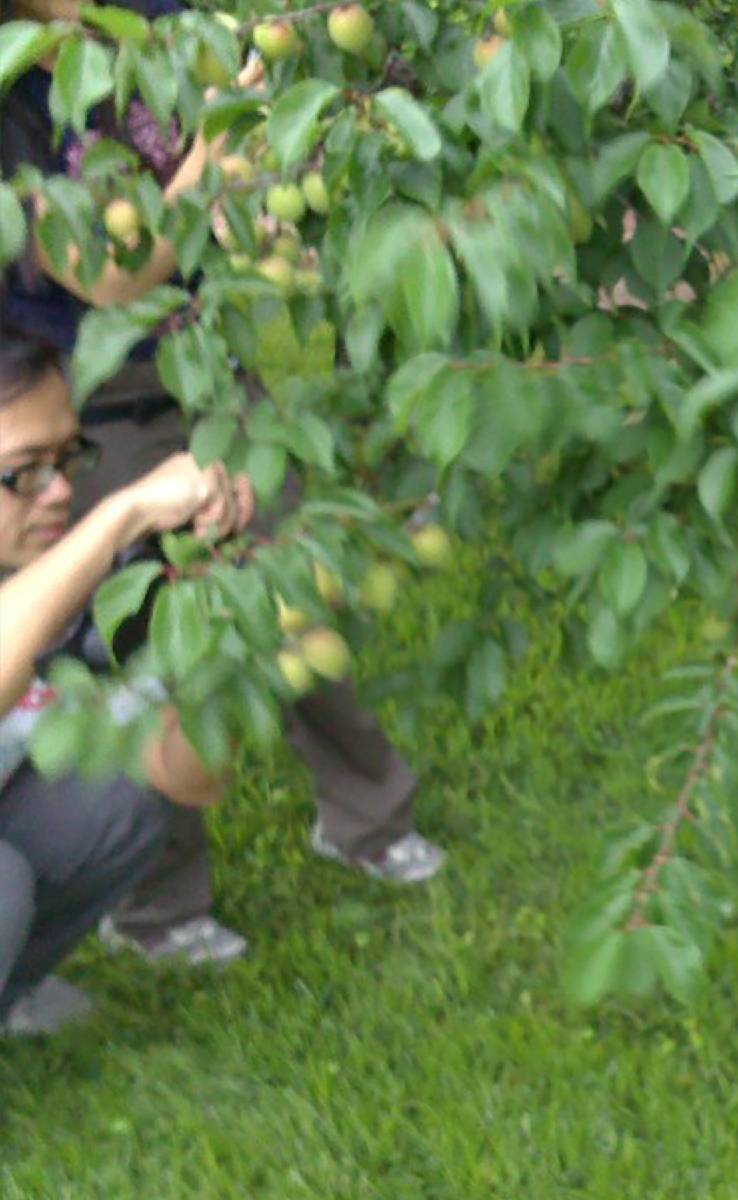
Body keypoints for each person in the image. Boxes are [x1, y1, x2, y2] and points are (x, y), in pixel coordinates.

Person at [1, 0, 444, 968]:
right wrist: (223, 133)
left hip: (203, 363)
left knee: (295, 584)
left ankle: (367, 815)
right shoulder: (16, 89)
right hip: (76, 407)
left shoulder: (158, 25)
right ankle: (156, 901)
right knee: (135, 636)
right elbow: (110, 277)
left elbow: (264, 155)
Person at [0, 332, 251, 1035]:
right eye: (22, 472)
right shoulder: (83, 552)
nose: (60, 492)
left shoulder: (73, 577)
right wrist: (121, 515)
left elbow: (192, 778)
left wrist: (205, 606)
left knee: (124, 798)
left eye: (67, 458)